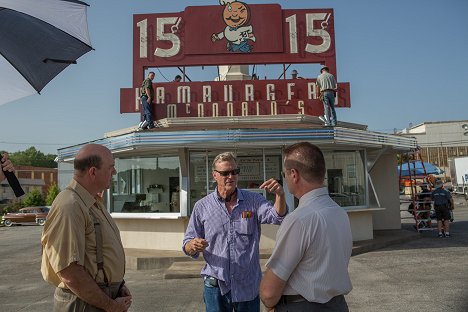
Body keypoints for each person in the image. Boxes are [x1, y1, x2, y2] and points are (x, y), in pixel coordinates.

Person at [182, 152, 288, 312]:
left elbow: (276, 217)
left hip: (247, 285)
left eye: (234, 172)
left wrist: (280, 195)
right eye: (225, 173)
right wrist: (193, 245)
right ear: (215, 175)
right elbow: (187, 245)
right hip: (216, 285)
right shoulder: (202, 207)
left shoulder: (253, 201)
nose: (231, 176)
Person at [260, 142, 352, 312]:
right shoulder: (340, 213)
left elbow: (268, 293)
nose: (285, 178)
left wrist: (269, 303)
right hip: (337, 305)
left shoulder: (299, 219)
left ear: (294, 174)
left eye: (285, 173)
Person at [41, 144, 132, 312]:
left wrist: (118, 285)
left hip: (97, 298)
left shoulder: (91, 202)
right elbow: (69, 272)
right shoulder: (69, 205)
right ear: (93, 172)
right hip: (84, 303)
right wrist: (110, 305)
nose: (114, 173)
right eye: (111, 167)